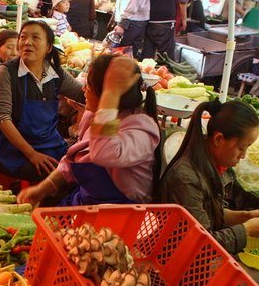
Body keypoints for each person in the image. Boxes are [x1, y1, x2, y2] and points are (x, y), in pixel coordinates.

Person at [159, 99, 259, 286]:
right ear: (218, 139)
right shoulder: (185, 177)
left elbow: (209, 216)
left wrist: (244, 216)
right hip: (182, 261)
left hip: (200, 248)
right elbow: (202, 240)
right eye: (242, 148)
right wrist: (245, 232)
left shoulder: (212, 165)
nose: (243, 156)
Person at [18, 56, 160, 207]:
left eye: (89, 86)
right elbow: (72, 160)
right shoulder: (97, 118)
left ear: (105, 93)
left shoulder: (141, 128)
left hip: (121, 215)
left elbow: (103, 153)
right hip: (86, 204)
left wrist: (111, 93)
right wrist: (44, 188)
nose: (83, 89)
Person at [0, 20, 84, 183]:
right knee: (58, 177)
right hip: (13, 151)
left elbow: (83, 94)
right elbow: (1, 118)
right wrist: (32, 154)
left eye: (35, 37)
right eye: (23, 37)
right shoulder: (6, 72)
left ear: (48, 47)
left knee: (81, 167)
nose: (27, 42)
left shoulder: (55, 73)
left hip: (49, 144)